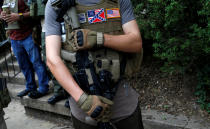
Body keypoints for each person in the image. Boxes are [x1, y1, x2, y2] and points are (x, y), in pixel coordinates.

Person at [45, 0, 144, 128]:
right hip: (84, 107)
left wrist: (99, 39)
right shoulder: (55, 4)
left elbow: (136, 43)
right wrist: (83, 100)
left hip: (122, 102)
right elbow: (52, 59)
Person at [0, 0, 49, 99]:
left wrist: (20, 16)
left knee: (37, 62)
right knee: (23, 65)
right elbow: (2, 14)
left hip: (29, 34)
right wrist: (1, 16)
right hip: (14, 37)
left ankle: (43, 87)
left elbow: (37, 11)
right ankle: (30, 86)